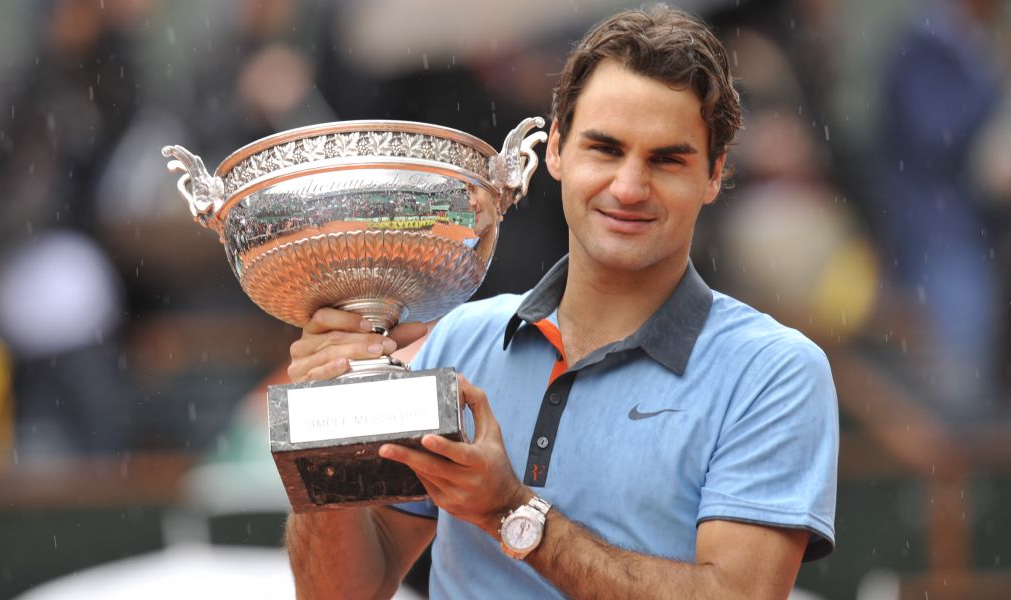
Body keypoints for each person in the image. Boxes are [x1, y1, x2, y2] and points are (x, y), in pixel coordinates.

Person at [285, 5, 838, 599]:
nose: (628, 188)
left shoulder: (775, 372)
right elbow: (339, 594)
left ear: (713, 174)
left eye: (666, 159)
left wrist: (511, 513)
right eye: (604, 149)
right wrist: (327, 443)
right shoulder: (458, 342)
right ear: (555, 153)